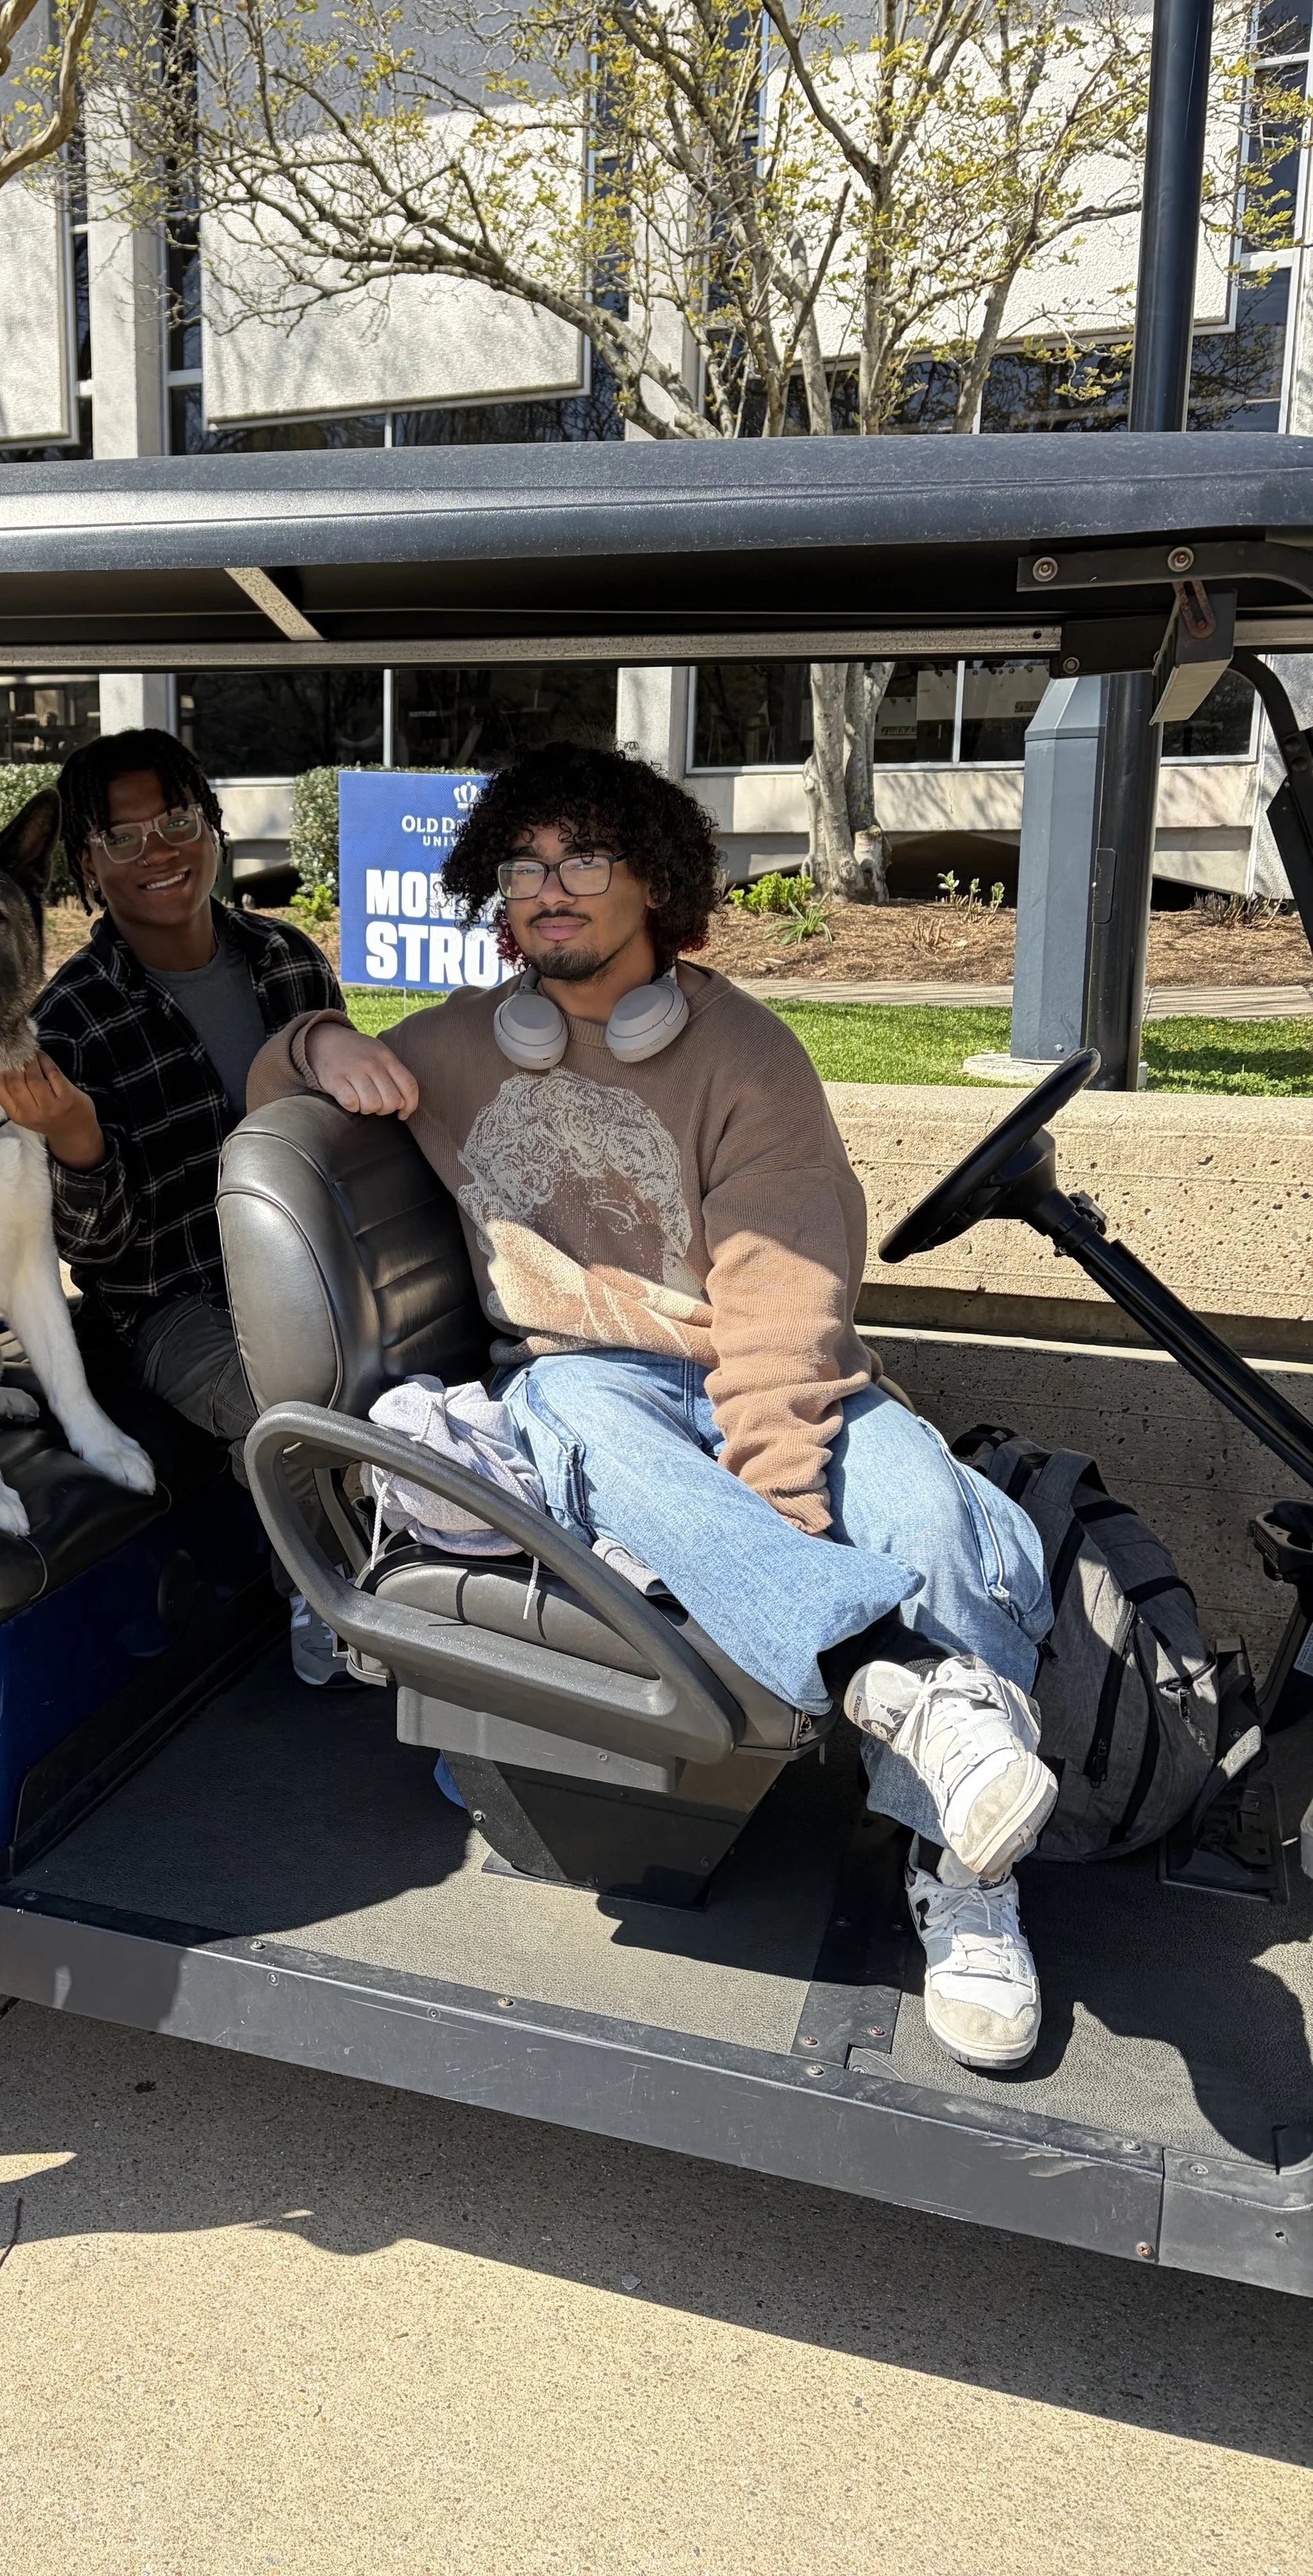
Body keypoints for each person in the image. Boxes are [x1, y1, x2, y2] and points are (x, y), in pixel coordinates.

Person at [247, 741, 1060, 2075]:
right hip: (593, 1387)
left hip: (767, 1380)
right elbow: (271, 1093)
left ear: (658, 882)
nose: (547, 888)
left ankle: (965, 1881)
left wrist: (781, 1496)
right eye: (524, 863)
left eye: (583, 861)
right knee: (562, 1396)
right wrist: (322, 1038)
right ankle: (887, 1684)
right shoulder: (463, 1044)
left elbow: (783, 1312)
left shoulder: (747, 1056)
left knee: (936, 1512)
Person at [0, 728, 347, 1679]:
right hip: (172, 1304)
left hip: (321, 1263)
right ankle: (338, 1605)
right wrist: (78, 1141)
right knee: (301, 1402)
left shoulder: (288, 962)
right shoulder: (71, 1018)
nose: (159, 851)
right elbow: (97, 1253)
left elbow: (348, 1145)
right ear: (87, 865)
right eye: (123, 837)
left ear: (212, 826)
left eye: (178, 821)